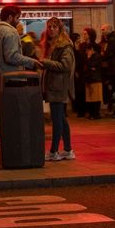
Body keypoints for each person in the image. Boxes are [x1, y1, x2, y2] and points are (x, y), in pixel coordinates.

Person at [0, 5, 40, 137]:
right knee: (10, 113)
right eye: (17, 18)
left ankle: (1, 140)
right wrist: (31, 61)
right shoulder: (10, 32)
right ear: (10, 17)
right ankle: (9, 141)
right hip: (9, 79)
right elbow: (11, 56)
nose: (18, 21)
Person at [41, 17, 76, 161]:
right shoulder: (51, 45)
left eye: (54, 27)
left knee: (57, 120)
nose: (51, 29)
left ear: (60, 29)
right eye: (49, 27)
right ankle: (68, 150)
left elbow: (65, 66)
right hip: (54, 86)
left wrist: (46, 63)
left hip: (58, 86)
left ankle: (54, 151)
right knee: (61, 118)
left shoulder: (64, 46)